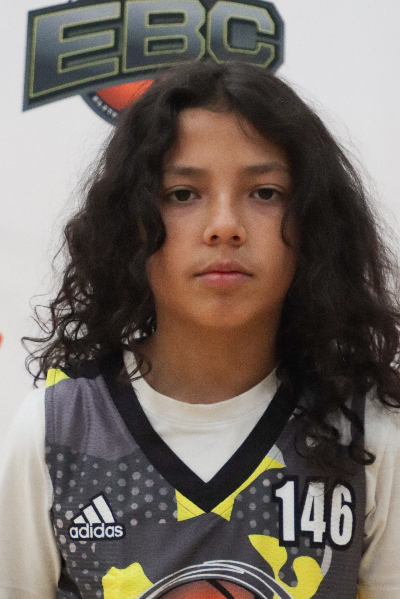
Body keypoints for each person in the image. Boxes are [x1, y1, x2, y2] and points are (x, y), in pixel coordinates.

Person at [1, 60, 400, 599]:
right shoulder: (57, 432)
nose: (224, 226)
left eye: (265, 193)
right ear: (132, 224)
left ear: (314, 225)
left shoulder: (368, 431)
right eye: (183, 194)